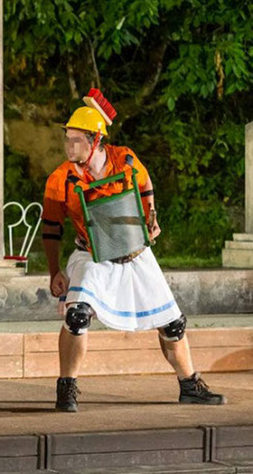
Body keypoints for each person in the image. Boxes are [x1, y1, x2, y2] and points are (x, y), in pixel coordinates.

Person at [41, 89, 225, 413]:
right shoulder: (61, 179)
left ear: (96, 140)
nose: (69, 147)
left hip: (135, 253)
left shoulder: (124, 159)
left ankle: (190, 385)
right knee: (76, 315)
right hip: (92, 255)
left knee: (173, 325)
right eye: (67, 139)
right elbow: (51, 227)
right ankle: (66, 388)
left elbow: (145, 184)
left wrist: (151, 216)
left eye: (76, 140)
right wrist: (55, 270)